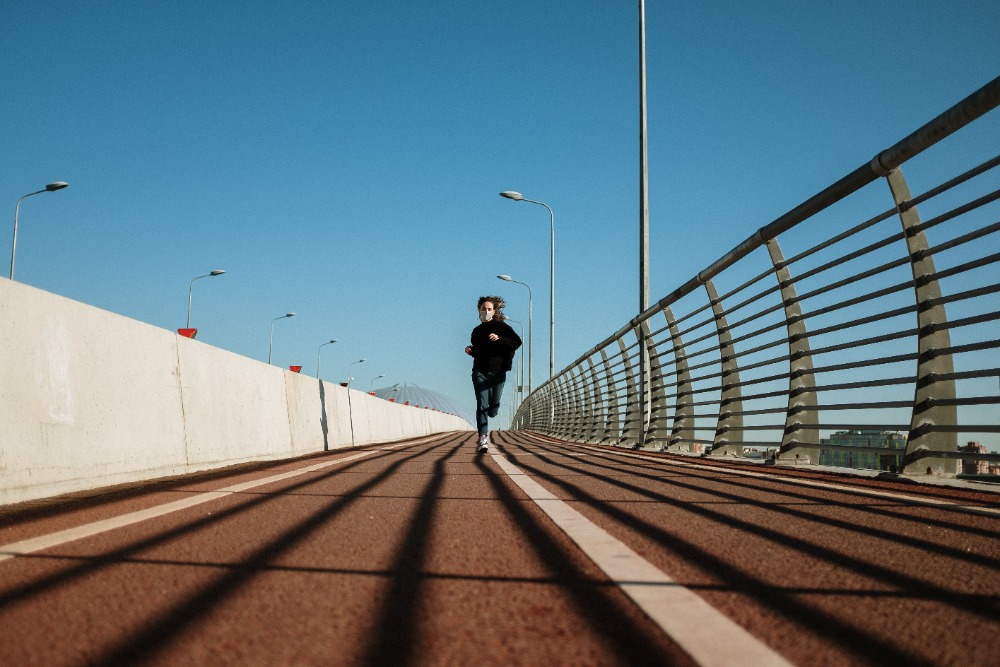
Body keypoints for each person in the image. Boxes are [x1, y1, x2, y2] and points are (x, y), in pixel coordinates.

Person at [465, 295, 522, 452]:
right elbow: (478, 351)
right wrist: (470, 351)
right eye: (484, 309)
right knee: (481, 404)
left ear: (494, 311)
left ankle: (493, 409)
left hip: (498, 372)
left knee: (493, 410)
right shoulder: (476, 331)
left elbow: (517, 342)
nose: (486, 311)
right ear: (479, 310)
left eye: (489, 309)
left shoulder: (501, 327)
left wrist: (500, 338)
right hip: (479, 371)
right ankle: (483, 438)